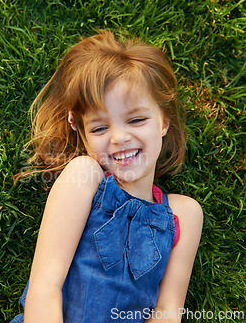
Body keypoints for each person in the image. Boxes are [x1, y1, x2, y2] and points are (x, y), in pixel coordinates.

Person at [11, 31, 203, 323]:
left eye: (136, 119)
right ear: (81, 129)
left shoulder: (183, 214)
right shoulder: (85, 177)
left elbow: (167, 312)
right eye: (100, 128)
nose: (119, 138)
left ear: (163, 121)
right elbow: (44, 287)